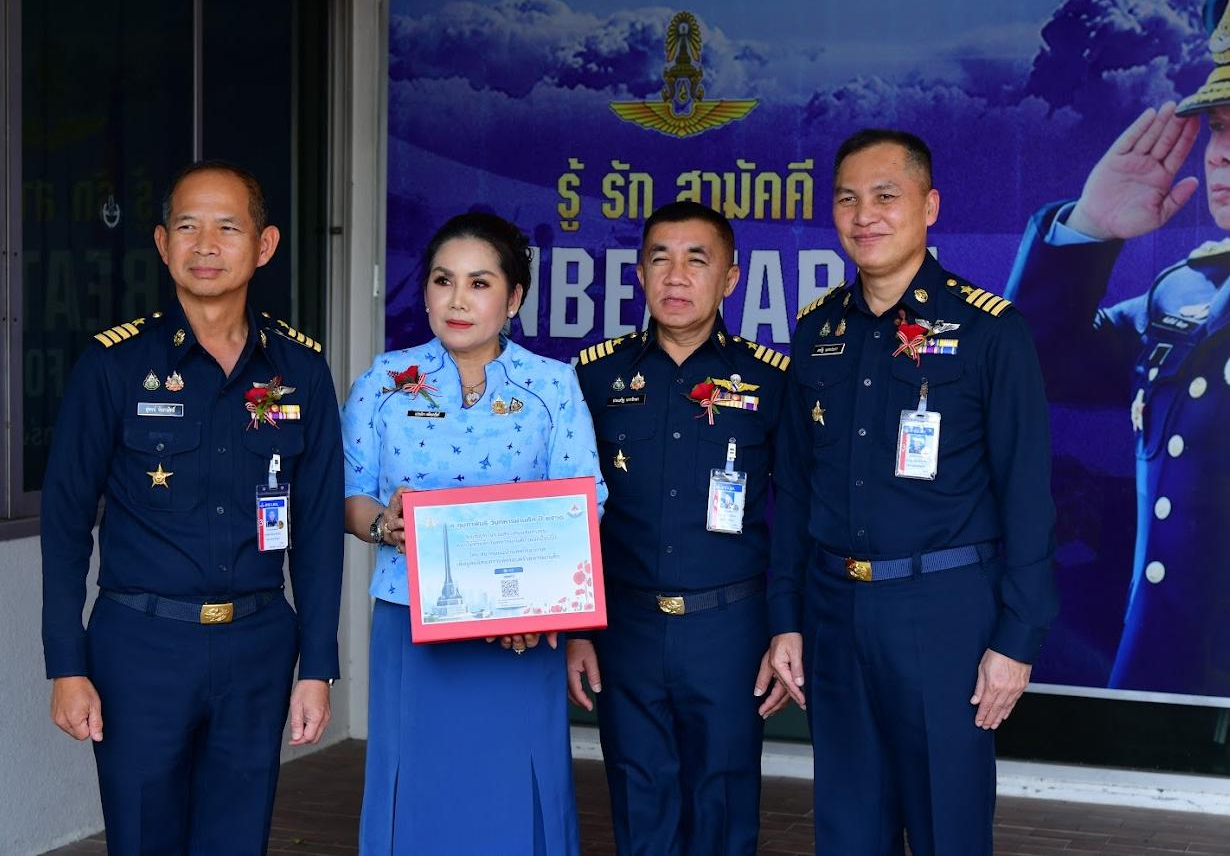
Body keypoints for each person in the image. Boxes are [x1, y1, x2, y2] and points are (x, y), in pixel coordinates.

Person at [768, 130, 1058, 855]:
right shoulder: (816, 330)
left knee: (946, 826)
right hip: (835, 612)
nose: (864, 215)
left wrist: (1016, 639)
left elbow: (1027, 494)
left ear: (929, 207)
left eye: (885, 196)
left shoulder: (990, 331)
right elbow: (795, 490)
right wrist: (787, 619)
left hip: (945, 613)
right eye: (847, 199)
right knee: (848, 827)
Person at [41, 161, 344, 853]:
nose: (206, 245)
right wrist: (66, 662)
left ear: (264, 245)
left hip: (258, 645)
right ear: (162, 243)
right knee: (142, 838)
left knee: (236, 840)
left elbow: (320, 529)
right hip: (139, 646)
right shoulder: (114, 366)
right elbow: (64, 522)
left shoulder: (298, 370)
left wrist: (317, 667)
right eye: (187, 226)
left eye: (227, 227)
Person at [341, 212, 606, 855]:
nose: (457, 300)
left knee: (513, 797)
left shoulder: (553, 386)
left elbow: (584, 502)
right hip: (412, 624)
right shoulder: (384, 382)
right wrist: (382, 524)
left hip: (523, 635)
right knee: (417, 791)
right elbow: (351, 496)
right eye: (443, 280)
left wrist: (537, 606)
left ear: (513, 298)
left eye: (479, 283)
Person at [1005, 0, 1230, 696]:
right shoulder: (1185, 293)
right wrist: (1090, 229)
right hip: (1160, 690)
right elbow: (1035, 365)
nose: (1220, 156)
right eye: (1218, 129)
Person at [569, 200, 790, 856]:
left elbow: (800, 513)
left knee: (723, 804)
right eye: (660, 259)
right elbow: (570, 507)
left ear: (731, 277)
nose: (676, 276)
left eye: (698, 259)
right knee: (639, 800)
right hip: (626, 627)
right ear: (639, 274)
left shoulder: (771, 380)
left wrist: (787, 626)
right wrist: (578, 628)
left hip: (730, 627)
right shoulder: (594, 376)